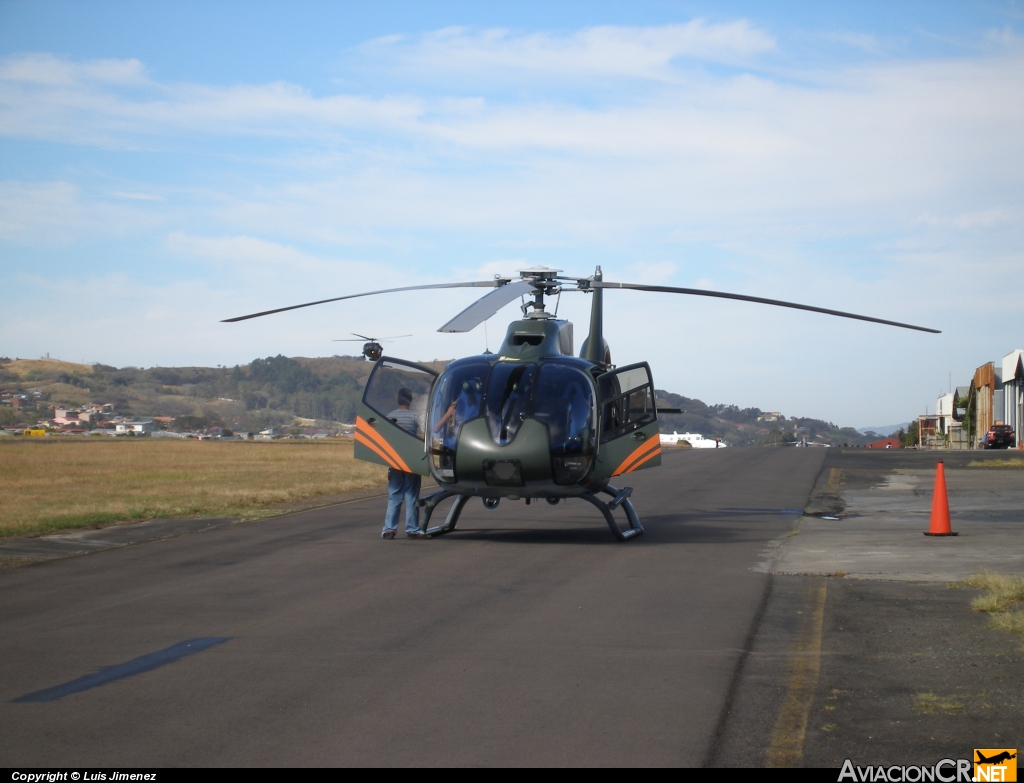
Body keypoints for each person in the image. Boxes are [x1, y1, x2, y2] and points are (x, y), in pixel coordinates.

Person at [382, 388, 424, 540]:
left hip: (394, 461)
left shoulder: (390, 416)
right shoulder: (415, 416)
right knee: (411, 495)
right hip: (411, 461)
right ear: (410, 400)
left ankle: (389, 529)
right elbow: (427, 430)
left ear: (397, 399)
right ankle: (412, 529)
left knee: (394, 495)